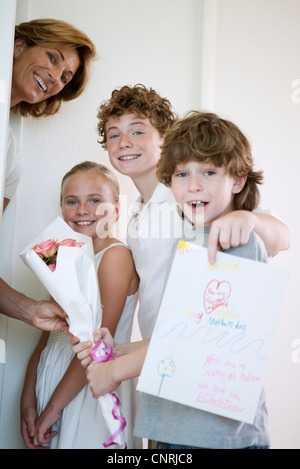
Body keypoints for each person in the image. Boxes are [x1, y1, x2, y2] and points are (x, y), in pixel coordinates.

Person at [74, 111, 276, 449]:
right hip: (172, 424)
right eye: (182, 174)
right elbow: (179, 333)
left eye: (209, 172)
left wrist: (112, 373)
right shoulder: (189, 242)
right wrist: (118, 351)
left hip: (217, 436)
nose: (194, 185)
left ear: (237, 181)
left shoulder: (236, 240)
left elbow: (196, 345)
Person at [95, 84, 290, 340]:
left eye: (137, 131)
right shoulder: (135, 214)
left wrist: (247, 218)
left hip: (202, 349)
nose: (124, 143)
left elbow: (282, 238)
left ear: (165, 138)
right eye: (114, 135)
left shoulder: (193, 198)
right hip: (155, 353)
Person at [20, 161, 140, 449]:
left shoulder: (115, 256)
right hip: (53, 380)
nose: (82, 210)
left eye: (95, 200)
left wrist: (53, 409)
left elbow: (98, 345)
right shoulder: (62, 257)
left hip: (90, 387)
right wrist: (29, 402)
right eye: (72, 201)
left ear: (116, 210)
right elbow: (45, 340)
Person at [0, 19, 96, 329]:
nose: (56, 77)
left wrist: (30, 310)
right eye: (53, 57)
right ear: (18, 45)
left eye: (65, 77)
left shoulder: (10, 157)